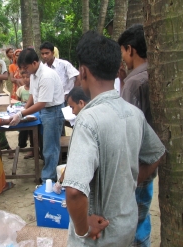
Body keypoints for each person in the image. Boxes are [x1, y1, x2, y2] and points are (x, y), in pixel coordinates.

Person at [62, 31, 165, 247]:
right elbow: (156, 154)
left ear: (83, 72)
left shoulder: (88, 120)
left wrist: (83, 229)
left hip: (99, 235)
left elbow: (74, 192)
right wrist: (131, 182)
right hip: (126, 226)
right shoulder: (134, 114)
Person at [118, 24, 154, 247]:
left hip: (137, 162)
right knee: (144, 211)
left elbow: (129, 126)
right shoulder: (151, 72)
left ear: (129, 49)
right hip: (150, 158)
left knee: (135, 217)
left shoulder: (134, 82)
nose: (122, 57)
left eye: (122, 51)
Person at [10, 48, 65, 183]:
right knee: (44, 143)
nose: (24, 71)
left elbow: (41, 103)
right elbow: (33, 95)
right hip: (44, 111)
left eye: (25, 67)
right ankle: (49, 173)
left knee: (50, 147)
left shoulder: (46, 75)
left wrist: (21, 113)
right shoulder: (34, 74)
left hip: (53, 111)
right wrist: (24, 108)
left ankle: (48, 179)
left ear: (34, 63)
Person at [16, 70, 34, 159]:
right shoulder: (20, 89)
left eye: (28, 77)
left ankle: (33, 149)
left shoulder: (34, 89)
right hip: (23, 112)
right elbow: (17, 102)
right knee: (23, 130)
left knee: (33, 132)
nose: (26, 79)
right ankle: (22, 145)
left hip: (33, 112)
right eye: (23, 77)